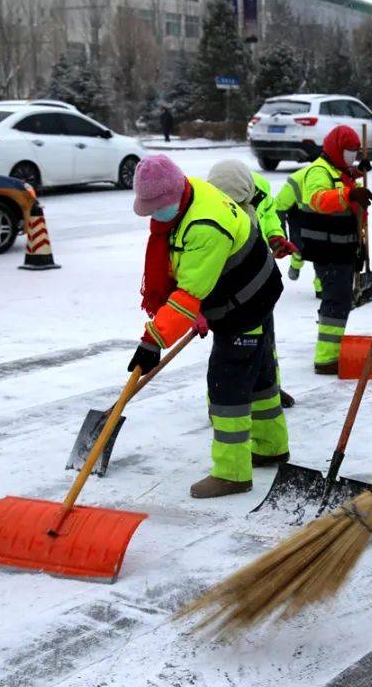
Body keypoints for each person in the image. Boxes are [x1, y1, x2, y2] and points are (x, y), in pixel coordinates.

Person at [128, 155, 287, 498]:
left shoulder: (204, 225)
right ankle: (271, 447)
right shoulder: (191, 191)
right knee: (258, 378)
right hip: (255, 291)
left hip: (244, 303)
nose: (154, 216)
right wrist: (197, 306)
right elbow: (188, 271)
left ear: (172, 196)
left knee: (227, 387)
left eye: (157, 207)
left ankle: (232, 473)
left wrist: (153, 341)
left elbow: (189, 292)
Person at [208, 160, 300, 409]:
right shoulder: (208, 206)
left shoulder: (258, 190)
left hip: (257, 280)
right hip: (226, 287)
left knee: (265, 339)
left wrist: (275, 237)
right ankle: (220, 399)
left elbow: (268, 215)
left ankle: (269, 390)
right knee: (227, 349)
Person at [285, 125, 372, 373]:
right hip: (329, 249)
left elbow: (341, 182)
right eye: (349, 151)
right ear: (337, 149)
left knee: (340, 299)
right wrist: (349, 195)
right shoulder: (318, 171)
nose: (352, 155)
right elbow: (318, 200)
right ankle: (327, 358)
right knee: (336, 301)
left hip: (341, 247)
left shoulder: (337, 169)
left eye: (356, 151)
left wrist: (357, 173)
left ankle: (331, 353)